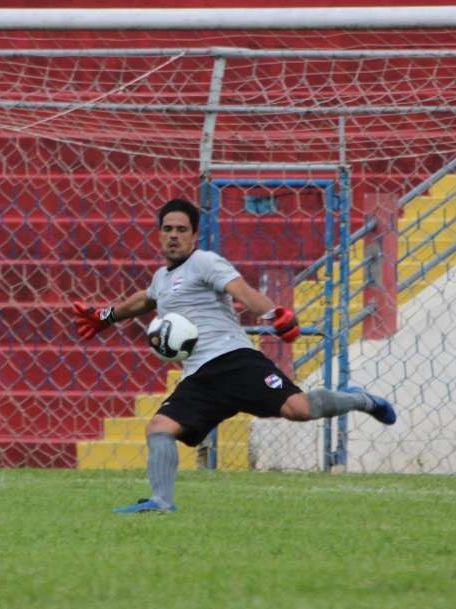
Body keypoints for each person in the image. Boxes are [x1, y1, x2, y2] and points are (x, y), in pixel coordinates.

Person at [72, 198, 396, 513]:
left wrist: (273, 314)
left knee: (298, 409)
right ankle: (161, 501)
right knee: (160, 427)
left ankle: (362, 400)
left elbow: (242, 291)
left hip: (235, 360)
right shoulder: (162, 279)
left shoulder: (205, 262)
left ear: (193, 235)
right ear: (158, 234)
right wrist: (106, 317)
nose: (173, 235)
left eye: (181, 229)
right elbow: (144, 299)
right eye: (167, 228)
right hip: (199, 377)